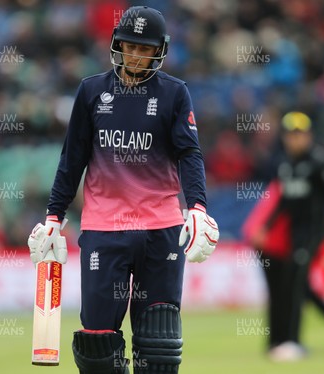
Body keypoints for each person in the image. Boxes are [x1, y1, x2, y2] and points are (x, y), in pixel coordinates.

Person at [27, 6, 219, 374]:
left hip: (160, 230)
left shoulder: (175, 94)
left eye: (144, 49)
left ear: (159, 51)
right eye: (129, 46)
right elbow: (72, 159)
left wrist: (197, 207)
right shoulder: (91, 91)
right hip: (104, 230)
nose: (135, 55)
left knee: (158, 345)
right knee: (97, 343)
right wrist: (54, 215)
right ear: (117, 44)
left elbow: (189, 153)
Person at [250, 111, 324, 361]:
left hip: (314, 232)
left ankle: (292, 342)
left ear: (309, 136)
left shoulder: (320, 162)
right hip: (294, 233)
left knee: (295, 283)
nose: (295, 140)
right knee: (296, 285)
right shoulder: (286, 165)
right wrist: (267, 226)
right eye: (291, 135)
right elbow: (284, 201)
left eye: (300, 135)